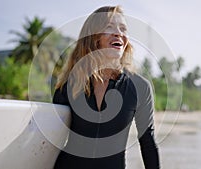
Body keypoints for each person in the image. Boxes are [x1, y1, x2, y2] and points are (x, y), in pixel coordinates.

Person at [53, 5, 160, 169]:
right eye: (109, 27)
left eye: (123, 28)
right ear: (94, 37)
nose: (119, 33)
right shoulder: (70, 85)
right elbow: (51, 138)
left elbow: (148, 143)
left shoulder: (140, 87)